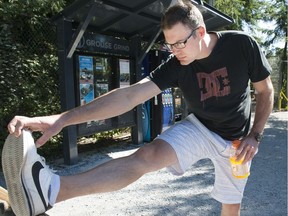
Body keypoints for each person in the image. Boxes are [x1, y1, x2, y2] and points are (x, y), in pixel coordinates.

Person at [3, 1, 274, 215]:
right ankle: (50, 190)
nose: (175, 51)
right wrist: (62, 119)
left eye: (180, 43)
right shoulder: (177, 64)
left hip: (237, 140)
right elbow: (129, 96)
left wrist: (256, 133)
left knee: (231, 207)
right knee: (147, 156)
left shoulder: (241, 45)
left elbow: (265, 90)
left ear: (200, 32)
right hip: (201, 127)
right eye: (169, 45)